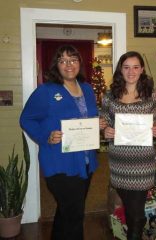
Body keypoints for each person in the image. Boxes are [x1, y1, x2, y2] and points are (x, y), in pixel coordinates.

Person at [20, 45, 106, 240]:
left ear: (80, 63)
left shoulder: (87, 89)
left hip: (85, 163)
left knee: (66, 212)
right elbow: (26, 118)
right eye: (63, 60)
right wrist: (46, 136)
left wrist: (97, 123)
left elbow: (87, 116)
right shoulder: (47, 91)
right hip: (60, 163)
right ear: (56, 65)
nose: (69, 64)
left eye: (73, 59)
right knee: (74, 216)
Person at [102, 51, 156, 240]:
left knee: (136, 213)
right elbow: (103, 119)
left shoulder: (151, 96)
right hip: (119, 163)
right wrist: (105, 131)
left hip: (142, 164)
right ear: (121, 69)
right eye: (126, 67)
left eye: (136, 67)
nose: (131, 71)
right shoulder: (110, 96)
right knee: (129, 209)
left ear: (142, 69)